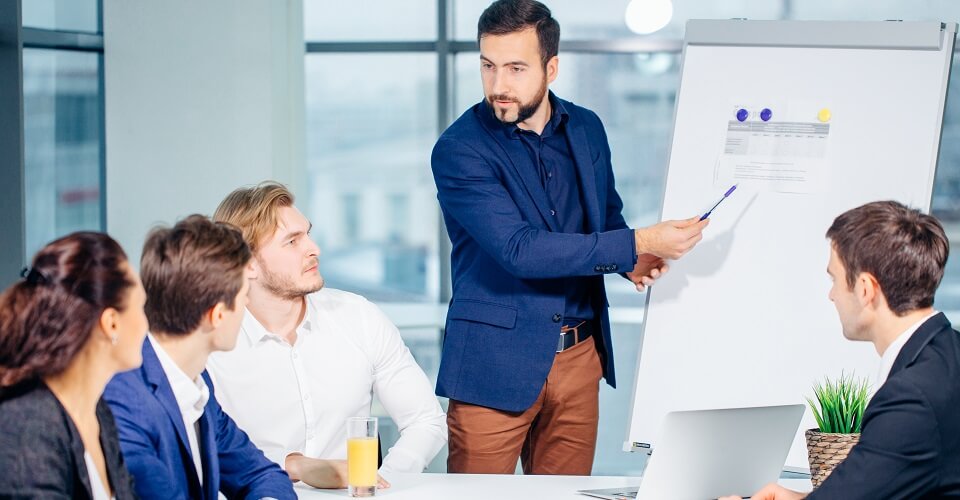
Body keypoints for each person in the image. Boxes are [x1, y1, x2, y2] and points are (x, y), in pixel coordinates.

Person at [430, 0, 708, 474]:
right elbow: (521, 249)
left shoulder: (587, 128)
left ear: (551, 67)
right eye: (488, 66)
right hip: (494, 366)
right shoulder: (460, 150)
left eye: (516, 68)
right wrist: (638, 243)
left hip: (579, 359)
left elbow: (606, 218)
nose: (499, 85)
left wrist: (629, 259)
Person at [206, 182, 444, 486]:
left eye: (307, 233)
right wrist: (290, 467)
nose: (313, 248)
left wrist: (379, 481)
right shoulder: (211, 343)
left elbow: (426, 421)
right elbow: (200, 452)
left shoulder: (359, 317)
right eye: (292, 241)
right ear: (247, 263)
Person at [721, 201, 960, 499]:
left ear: (865, 289)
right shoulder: (948, 352)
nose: (831, 294)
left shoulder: (911, 399)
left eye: (834, 279)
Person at [103, 215, 297, 499]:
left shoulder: (196, 382)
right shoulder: (123, 399)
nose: (246, 305)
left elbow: (261, 474)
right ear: (217, 315)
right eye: (244, 295)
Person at [0, 232, 143, 498]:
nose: (147, 324)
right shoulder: (28, 426)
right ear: (111, 323)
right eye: (141, 307)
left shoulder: (98, 413)